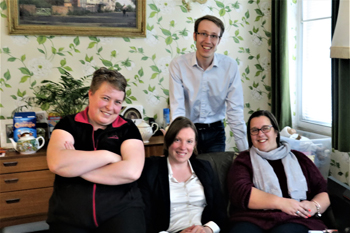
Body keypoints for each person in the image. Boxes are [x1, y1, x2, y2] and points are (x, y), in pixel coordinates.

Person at [46, 67, 145, 233]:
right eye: (105, 98)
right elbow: (57, 163)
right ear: (90, 94)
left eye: (117, 102)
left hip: (121, 211)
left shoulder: (128, 129)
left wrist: (75, 168)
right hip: (68, 216)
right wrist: (108, 156)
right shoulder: (68, 124)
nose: (110, 107)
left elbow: (131, 172)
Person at [227, 110, 330, 233]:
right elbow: (241, 192)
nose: (260, 134)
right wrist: (281, 203)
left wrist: (315, 206)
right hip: (251, 219)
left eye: (266, 128)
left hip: (296, 219)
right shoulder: (244, 160)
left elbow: (324, 190)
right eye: (255, 130)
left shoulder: (300, 158)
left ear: (276, 132)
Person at [169, 15, 248, 154]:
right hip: (187, 130)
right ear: (195, 36)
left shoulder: (230, 67)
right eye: (203, 34)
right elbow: (178, 109)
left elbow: (235, 112)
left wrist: (247, 153)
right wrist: (180, 139)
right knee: (188, 173)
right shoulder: (178, 65)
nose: (208, 41)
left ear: (219, 40)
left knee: (213, 174)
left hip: (216, 133)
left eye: (213, 36)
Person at [139, 116, 228, 233]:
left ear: (195, 144)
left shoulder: (205, 168)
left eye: (189, 141)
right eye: (177, 140)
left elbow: (220, 210)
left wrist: (208, 229)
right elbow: (143, 217)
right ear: (168, 140)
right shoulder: (152, 169)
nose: (183, 147)